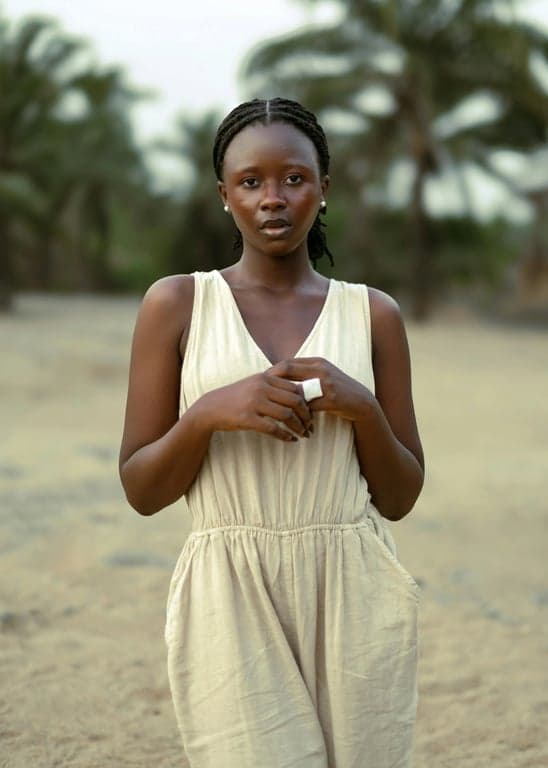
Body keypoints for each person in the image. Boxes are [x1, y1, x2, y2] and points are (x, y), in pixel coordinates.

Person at [119, 97, 424, 768]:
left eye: (294, 177)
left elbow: (400, 496)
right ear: (225, 196)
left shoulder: (373, 315)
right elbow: (141, 488)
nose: (273, 198)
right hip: (230, 588)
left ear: (324, 187)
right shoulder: (177, 304)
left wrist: (362, 407)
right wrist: (207, 413)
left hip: (354, 589)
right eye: (251, 182)